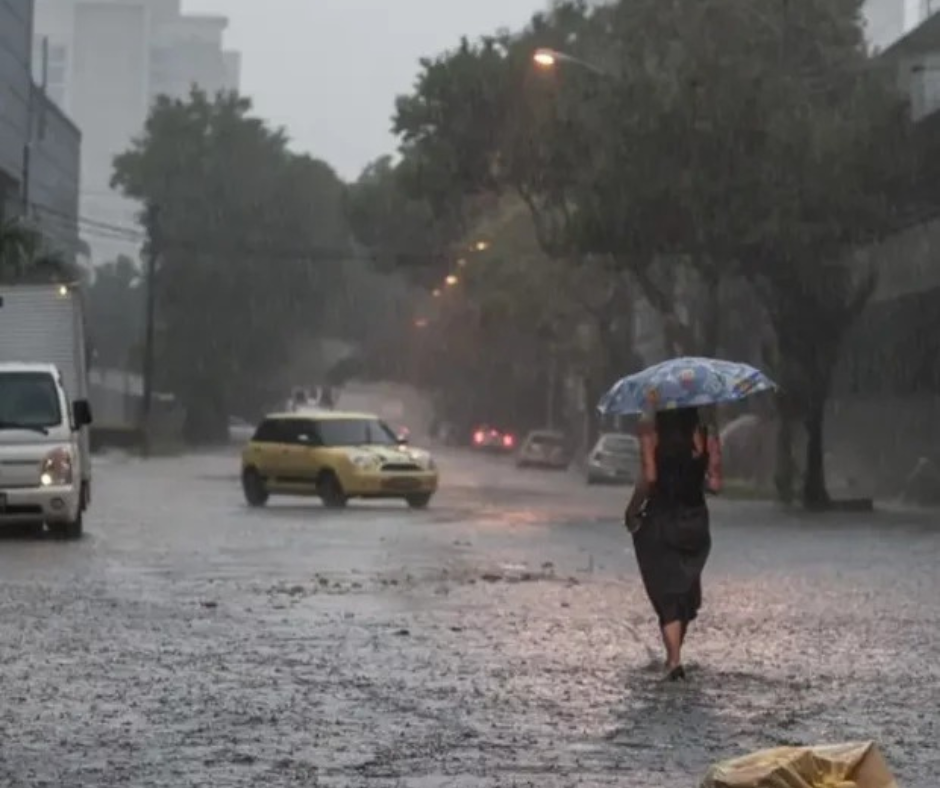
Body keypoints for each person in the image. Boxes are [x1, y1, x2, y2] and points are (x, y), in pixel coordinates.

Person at [623, 406, 722, 681]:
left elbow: (649, 478)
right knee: (684, 590)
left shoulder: (651, 435)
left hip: (662, 520)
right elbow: (715, 485)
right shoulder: (704, 436)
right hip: (696, 522)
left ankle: (674, 660)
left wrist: (631, 511)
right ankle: (674, 654)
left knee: (666, 591)